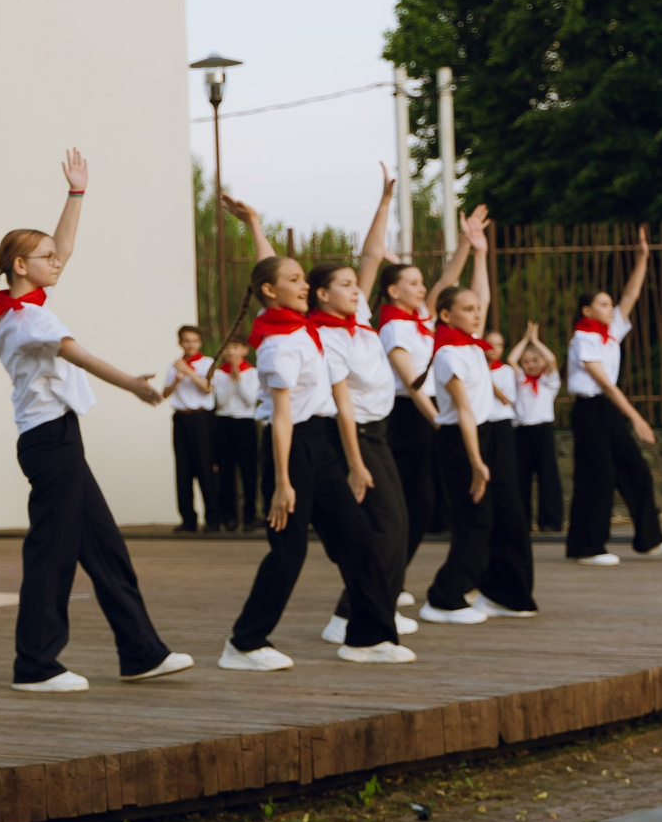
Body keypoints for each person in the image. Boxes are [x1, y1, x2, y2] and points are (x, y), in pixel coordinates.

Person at [0, 152, 191, 693]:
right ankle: (36, 665)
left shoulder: (19, 306)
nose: (58, 260)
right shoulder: (29, 318)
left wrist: (76, 194)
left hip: (57, 438)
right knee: (52, 553)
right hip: (50, 442)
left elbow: (64, 247)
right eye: (45, 257)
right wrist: (137, 386)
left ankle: (142, 652)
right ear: (21, 266)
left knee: (105, 549)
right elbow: (79, 355)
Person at [222, 178, 418, 663]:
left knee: (360, 544)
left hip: (324, 449)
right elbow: (283, 419)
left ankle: (368, 637)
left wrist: (254, 225)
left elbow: (274, 273)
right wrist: (283, 482)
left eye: (305, 281)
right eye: (297, 282)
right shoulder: (278, 344)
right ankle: (244, 642)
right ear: (272, 291)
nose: (304, 285)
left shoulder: (301, 327)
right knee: (288, 553)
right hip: (294, 451)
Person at [421, 218, 540, 621]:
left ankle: (505, 594)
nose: (476, 314)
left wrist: (482, 254)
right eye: (466, 310)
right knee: (476, 520)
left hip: (489, 435)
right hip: (461, 441)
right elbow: (465, 412)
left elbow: (484, 296)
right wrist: (476, 461)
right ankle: (443, 598)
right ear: (445, 315)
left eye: (476, 310)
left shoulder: (472, 346)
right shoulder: (448, 354)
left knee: (511, 516)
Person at [372, 211, 480, 602]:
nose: (422, 289)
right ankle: (389, 577)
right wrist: (439, 422)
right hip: (409, 416)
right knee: (412, 502)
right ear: (392, 291)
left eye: (421, 283)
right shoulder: (393, 327)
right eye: (412, 283)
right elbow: (411, 384)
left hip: (429, 411)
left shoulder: (417, 318)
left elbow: (446, 281)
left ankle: (394, 575)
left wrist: (468, 242)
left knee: (426, 502)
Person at [566, 228, 662, 564]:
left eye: (609, 303)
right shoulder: (582, 339)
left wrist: (643, 258)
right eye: (603, 304)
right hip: (590, 410)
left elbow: (631, 295)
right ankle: (586, 547)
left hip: (608, 410)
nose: (611, 308)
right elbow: (605, 384)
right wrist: (636, 417)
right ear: (587, 311)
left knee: (636, 470)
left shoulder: (610, 331)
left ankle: (650, 539)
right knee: (598, 477)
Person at [161, 325, 223, 533]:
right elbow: (165, 393)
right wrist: (177, 379)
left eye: (194, 341)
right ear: (180, 343)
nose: (190, 345)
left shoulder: (208, 363)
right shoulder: (174, 365)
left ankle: (213, 518)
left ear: (200, 342)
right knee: (183, 469)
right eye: (186, 341)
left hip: (201, 419)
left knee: (205, 467)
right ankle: (188, 519)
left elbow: (207, 389)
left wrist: (189, 372)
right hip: (181, 419)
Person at [507, 323, 563, 533]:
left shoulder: (549, 382)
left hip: (543, 431)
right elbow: (511, 360)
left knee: (548, 476)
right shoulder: (520, 380)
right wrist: (525, 339)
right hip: (522, 432)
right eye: (527, 361)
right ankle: (522, 520)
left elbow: (552, 360)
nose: (531, 365)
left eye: (535, 361)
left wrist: (536, 341)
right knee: (521, 477)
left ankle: (550, 521)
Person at [210, 336, 260, 530]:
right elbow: (221, 401)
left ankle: (250, 515)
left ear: (244, 350)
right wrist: (231, 378)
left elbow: (249, 400)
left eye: (236, 347)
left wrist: (238, 378)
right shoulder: (218, 374)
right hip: (224, 422)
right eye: (228, 348)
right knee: (225, 471)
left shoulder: (253, 373)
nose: (231, 352)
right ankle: (228, 516)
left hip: (245, 422)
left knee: (248, 471)